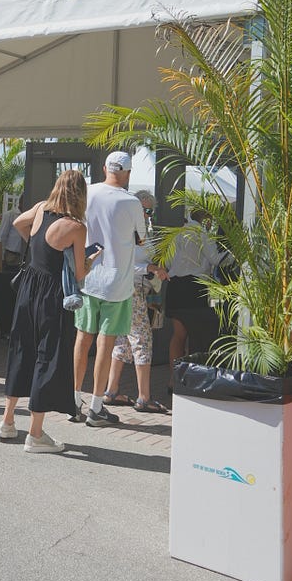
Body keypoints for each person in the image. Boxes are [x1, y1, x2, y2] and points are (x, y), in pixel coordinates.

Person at [0, 169, 88, 454]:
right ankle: (35, 434)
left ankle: (7, 421)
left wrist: (36, 247)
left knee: (22, 348)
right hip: (53, 294)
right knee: (48, 355)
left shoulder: (39, 209)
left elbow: (19, 224)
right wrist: (93, 258)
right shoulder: (75, 226)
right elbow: (81, 272)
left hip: (28, 287)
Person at [73, 150, 147, 427]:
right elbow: (141, 240)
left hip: (88, 276)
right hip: (117, 281)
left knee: (82, 338)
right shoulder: (132, 202)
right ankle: (96, 406)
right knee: (106, 343)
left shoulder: (87, 193)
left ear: (105, 168)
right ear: (127, 173)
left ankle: (73, 399)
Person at [103, 190, 169, 414]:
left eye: (149, 210)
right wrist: (149, 268)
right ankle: (144, 397)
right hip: (129, 289)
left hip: (133, 289)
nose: (146, 214)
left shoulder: (139, 231)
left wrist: (152, 269)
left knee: (124, 340)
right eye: (143, 209)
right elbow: (122, 263)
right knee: (142, 339)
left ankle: (112, 391)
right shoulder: (128, 231)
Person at [166, 208, 225, 389]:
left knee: (178, 335)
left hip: (175, 285)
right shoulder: (202, 233)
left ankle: (173, 379)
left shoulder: (177, 233)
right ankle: (193, 381)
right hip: (194, 287)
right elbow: (215, 259)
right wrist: (232, 255)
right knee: (197, 336)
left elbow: (168, 263)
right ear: (206, 220)